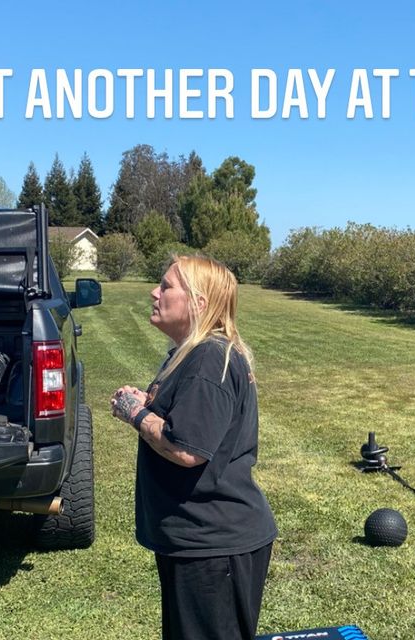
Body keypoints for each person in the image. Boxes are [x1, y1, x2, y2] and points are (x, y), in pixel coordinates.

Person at [110, 255, 277, 640]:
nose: (155, 292)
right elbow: (191, 418)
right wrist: (151, 405)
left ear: (199, 303)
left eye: (166, 286)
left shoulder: (208, 358)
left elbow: (187, 449)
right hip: (195, 538)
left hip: (213, 543)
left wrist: (135, 413)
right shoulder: (192, 353)